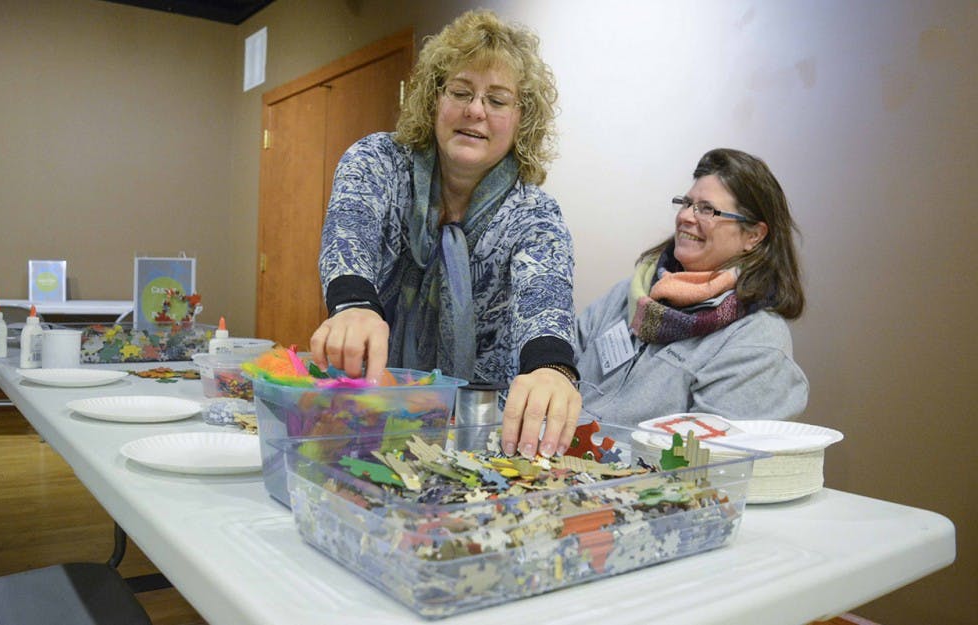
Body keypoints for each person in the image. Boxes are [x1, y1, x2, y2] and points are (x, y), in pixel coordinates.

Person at [311, 10, 581, 457]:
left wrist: (552, 369)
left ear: (521, 120)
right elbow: (349, 238)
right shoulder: (377, 162)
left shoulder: (535, 214)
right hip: (365, 409)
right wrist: (355, 305)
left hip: (481, 436)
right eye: (461, 91)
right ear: (434, 99)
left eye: (497, 100)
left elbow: (545, 303)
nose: (475, 110)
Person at [573, 148, 809, 427]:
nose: (686, 216)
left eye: (707, 209)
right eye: (686, 203)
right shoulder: (632, 294)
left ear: (753, 235)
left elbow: (708, 456)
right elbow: (562, 363)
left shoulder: (756, 339)